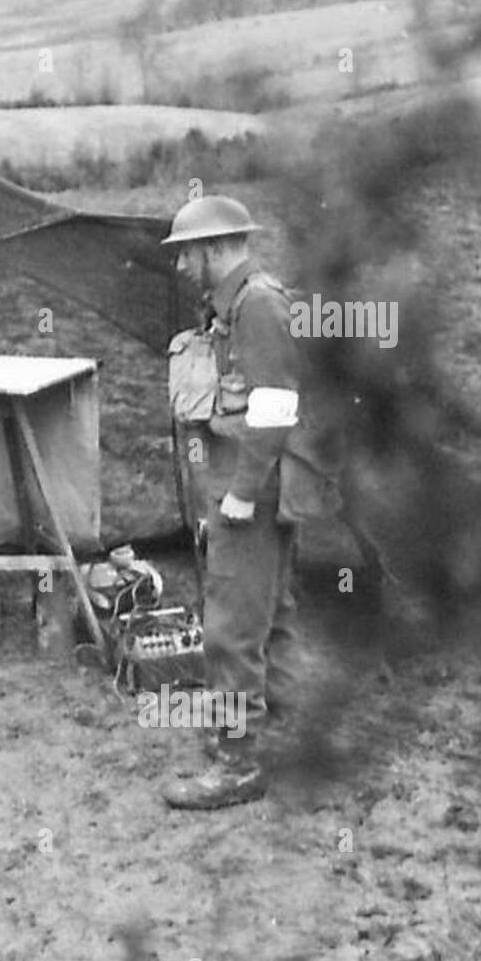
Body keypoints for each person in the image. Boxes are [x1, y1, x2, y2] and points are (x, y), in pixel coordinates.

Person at [160, 195, 340, 810]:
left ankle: (237, 763)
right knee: (274, 615)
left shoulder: (257, 304)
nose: (182, 265)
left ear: (214, 248)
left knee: (232, 630)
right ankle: (291, 741)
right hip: (256, 487)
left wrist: (239, 495)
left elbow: (276, 404)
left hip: (252, 493)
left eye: (186, 252)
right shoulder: (235, 304)